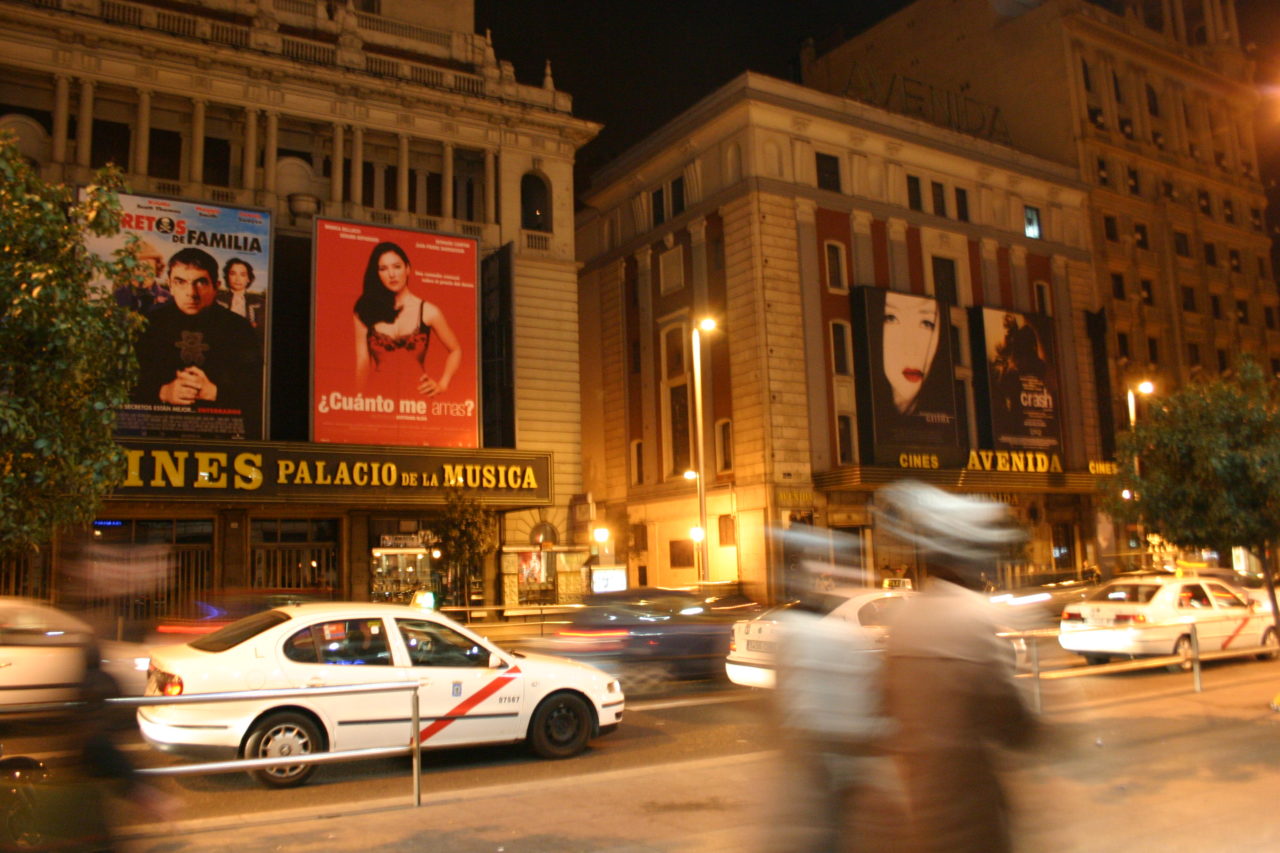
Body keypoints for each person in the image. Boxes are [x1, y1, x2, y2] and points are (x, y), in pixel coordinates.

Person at [875, 481, 1036, 853]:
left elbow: (883, 709)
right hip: (973, 811)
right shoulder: (975, 618)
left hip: (918, 808)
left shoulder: (903, 620)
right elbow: (1014, 725)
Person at [131, 247, 262, 427]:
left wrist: (214, 392)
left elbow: (257, 391)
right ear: (170, 285)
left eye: (201, 283)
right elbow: (124, 385)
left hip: (221, 434)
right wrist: (163, 392)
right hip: (156, 430)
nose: (191, 293)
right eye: (181, 282)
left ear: (216, 286)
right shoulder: (147, 325)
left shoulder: (239, 328)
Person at [352, 241, 462, 397]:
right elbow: (362, 363)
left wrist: (443, 384)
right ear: (376, 274)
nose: (392, 274)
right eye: (383, 269)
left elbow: (455, 350)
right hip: (378, 400)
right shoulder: (365, 309)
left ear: (408, 269)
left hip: (416, 404)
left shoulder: (429, 311)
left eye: (397, 267)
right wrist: (357, 402)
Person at [112, 239, 170, 314]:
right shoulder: (117, 296)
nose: (142, 272)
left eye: (147, 266)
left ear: (157, 267)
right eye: (137, 267)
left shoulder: (168, 298)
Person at [215, 257, 266, 334]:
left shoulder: (259, 302)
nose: (237, 279)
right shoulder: (216, 299)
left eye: (242, 275)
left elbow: (263, 331)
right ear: (227, 276)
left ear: (248, 278)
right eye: (233, 274)